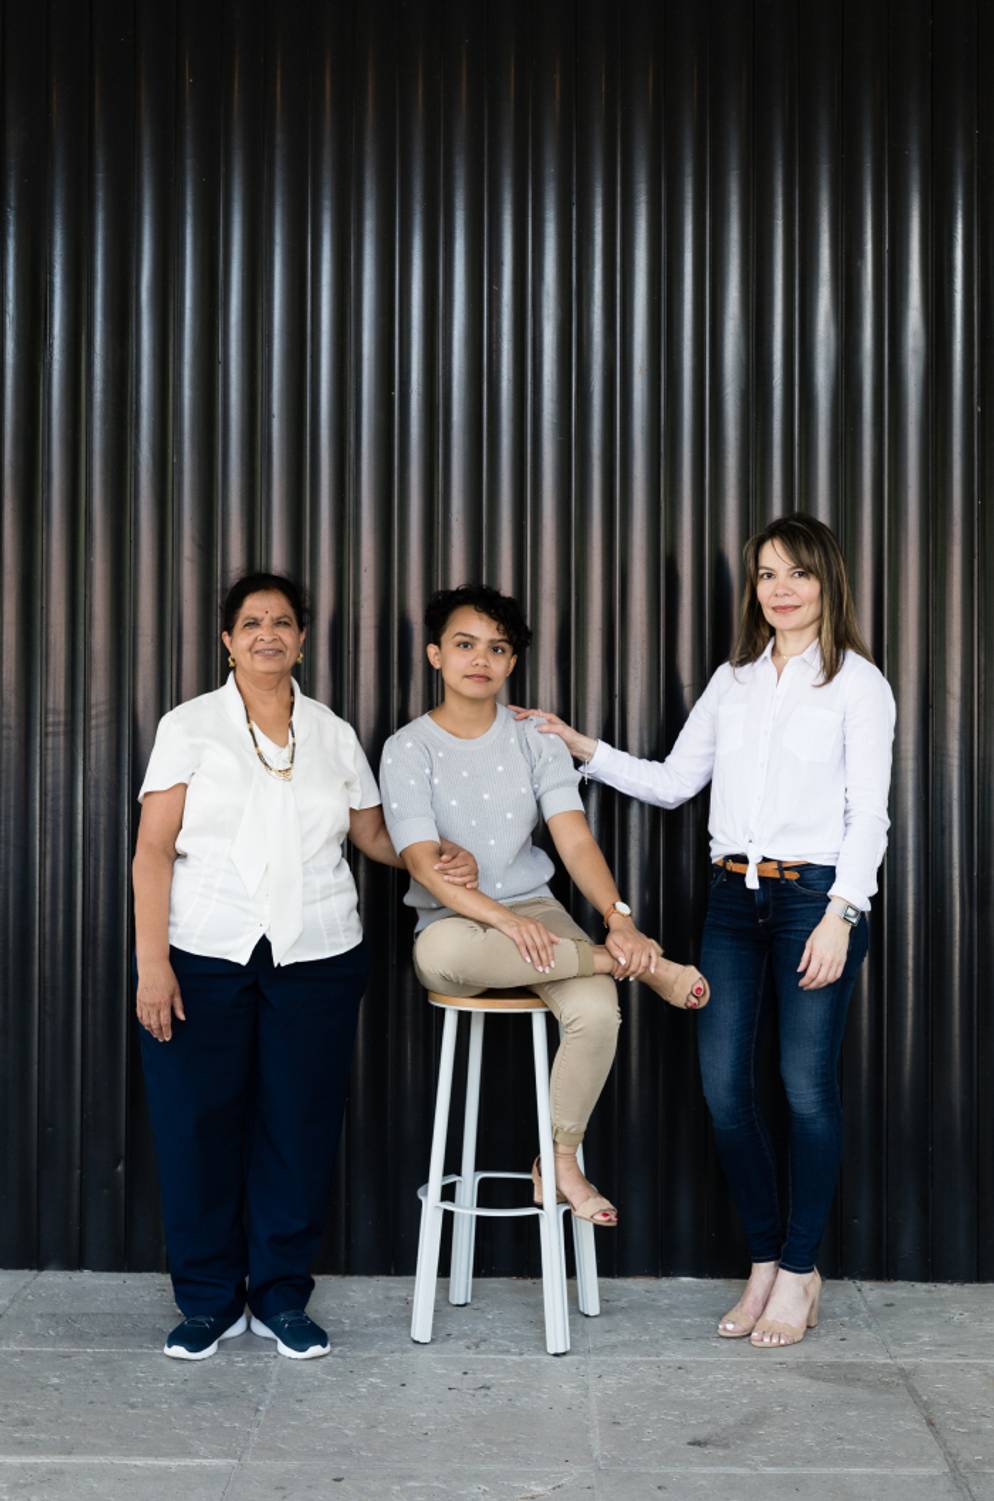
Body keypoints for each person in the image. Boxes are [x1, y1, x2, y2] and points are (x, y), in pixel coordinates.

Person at [513, 515, 895, 1345]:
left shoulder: (859, 684)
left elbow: (870, 813)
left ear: (827, 580)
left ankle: (800, 1272)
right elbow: (675, 782)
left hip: (814, 900)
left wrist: (842, 914)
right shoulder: (737, 679)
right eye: (766, 575)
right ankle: (764, 1262)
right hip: (732, 902)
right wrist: (582, 746)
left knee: (805, 1091)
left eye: (796, 573)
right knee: (726, 1093)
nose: (780, 589)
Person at [132, 571, 477, 1360]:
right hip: (203, 953)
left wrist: (435, 860)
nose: (267, 634)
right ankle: (209, 1301)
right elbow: (153, 851)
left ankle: (282, 1295)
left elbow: (372, 837)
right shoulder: (188, 727)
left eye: (282, 621)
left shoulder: (331, 731)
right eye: (251, 622)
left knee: (299, 1126)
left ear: (302, 638)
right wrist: (153, 963)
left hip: (318, 956)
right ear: (226, 639)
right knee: (197, 1130)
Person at [379, 584, 708, 1228]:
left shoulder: (534, 739)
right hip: (457, 923)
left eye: (497, 649)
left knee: (596, 1012)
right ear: (435, 655)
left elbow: (573, 836)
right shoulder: (407, 747)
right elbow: (422, 863)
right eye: (465, 644)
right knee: (441, 955)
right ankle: (632, 965)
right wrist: (505, 921)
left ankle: (558, 1160)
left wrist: (619, 917)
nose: (481, 659)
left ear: (511, 664)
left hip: (536, 906)